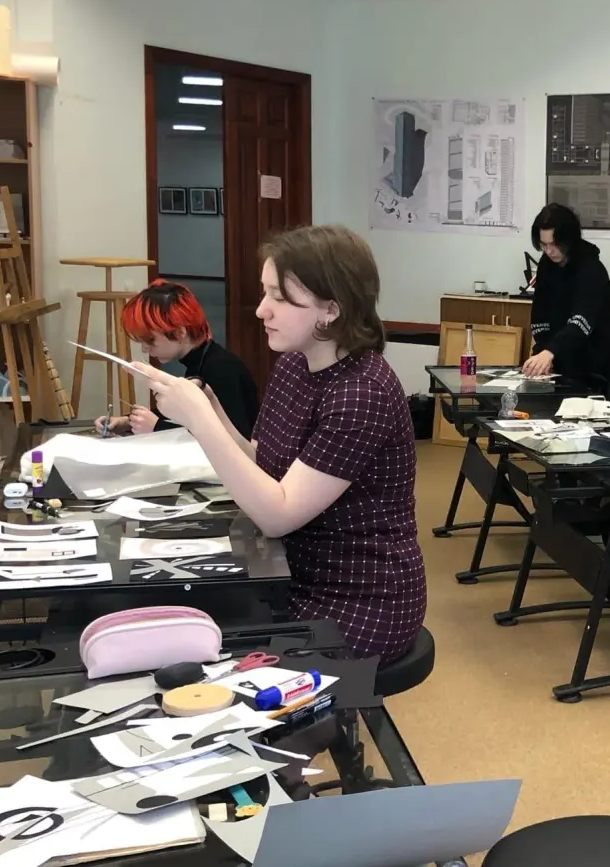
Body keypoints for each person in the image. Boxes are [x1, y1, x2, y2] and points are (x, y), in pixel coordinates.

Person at [133, 225, 426, 663]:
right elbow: (265, 466)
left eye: (279, 298)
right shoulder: (293, 365)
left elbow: (277, 515)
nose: (261, 310)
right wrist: (212, 413)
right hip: (290, 572)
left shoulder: (361, 393)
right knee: (163, 618)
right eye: (264, 292)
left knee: (199, 653)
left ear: (331, 309)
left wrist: (200, 420)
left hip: (358, 599)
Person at [94, 280, 259, 439]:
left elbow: (235, 436)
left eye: (150, 340)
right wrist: (128, 421)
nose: (145, 348)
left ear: (179, 333)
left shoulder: (221, 368)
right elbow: (184, 415)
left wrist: (157, 427)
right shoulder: (202, 362)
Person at [522, 203, 610, 400]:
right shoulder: (546, 265)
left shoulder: (591, 268)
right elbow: (539, 317)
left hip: (599, 368)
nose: (549, 251)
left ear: (568, 239)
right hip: (563, 366)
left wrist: (550, 352)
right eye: (544, 245)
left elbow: (581, 322)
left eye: (554, 244)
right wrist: (543, 352)